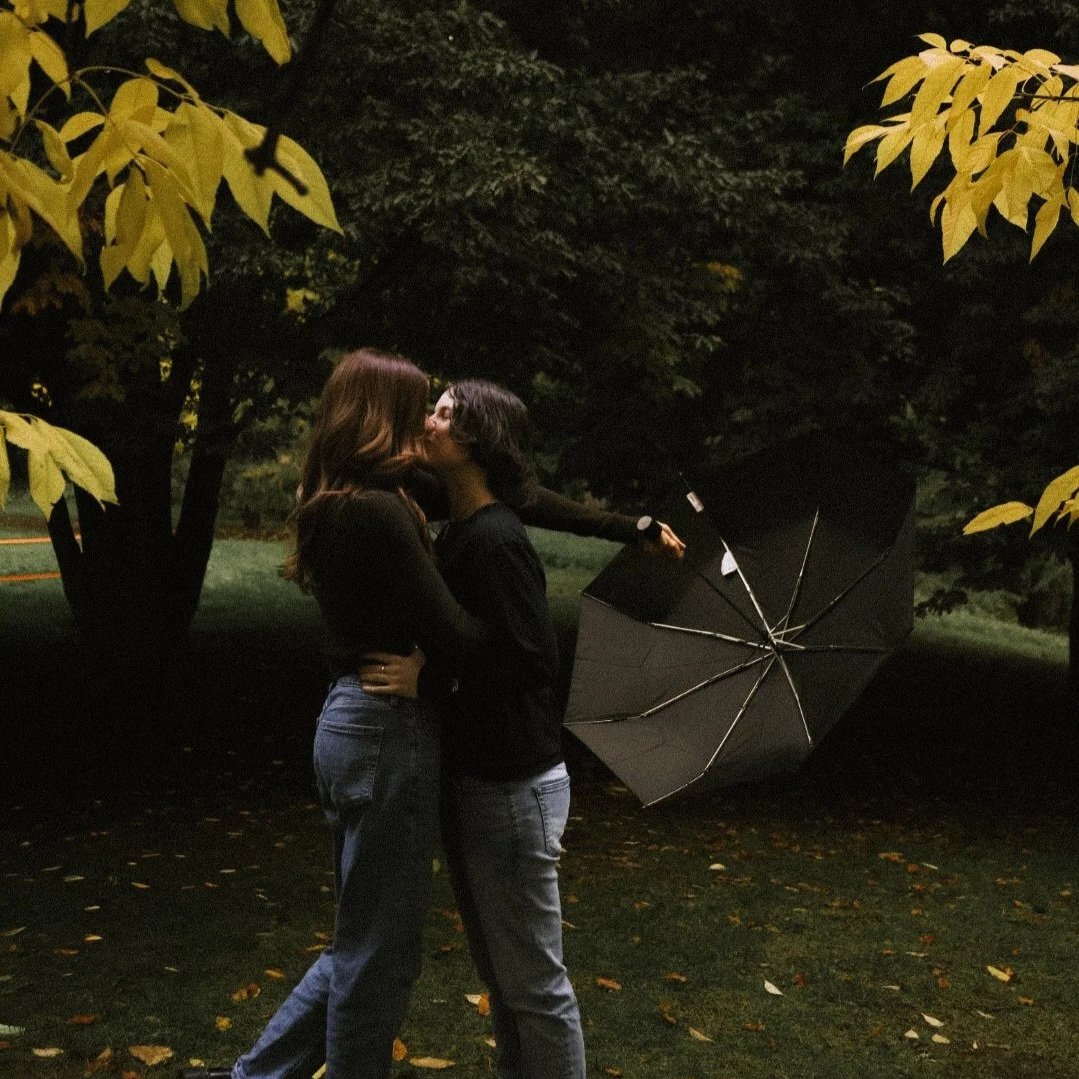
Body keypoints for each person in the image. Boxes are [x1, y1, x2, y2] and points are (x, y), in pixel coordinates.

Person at [181, 350, 681, 1079]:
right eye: (421, 405)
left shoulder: (377, 490)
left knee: (382, 947)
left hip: (381, 729)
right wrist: (437, 666)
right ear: (379, 415)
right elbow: (462, 631)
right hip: (384, 728)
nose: (426, 418)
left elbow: (520, 499)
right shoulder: (390, 506)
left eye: (441, 410)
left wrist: (625, 523)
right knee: (379, 951)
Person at [368, 380, 683, 1079]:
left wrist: (433, 679)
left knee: (534, 987)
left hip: (511, 787)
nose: (429, 419)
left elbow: (530, 659)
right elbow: (545, 505)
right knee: (507, 983)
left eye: (445, 411)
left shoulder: (496, 540)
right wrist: (628, 524)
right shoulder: (469, 519)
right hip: (484, 779)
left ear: (476, 439)